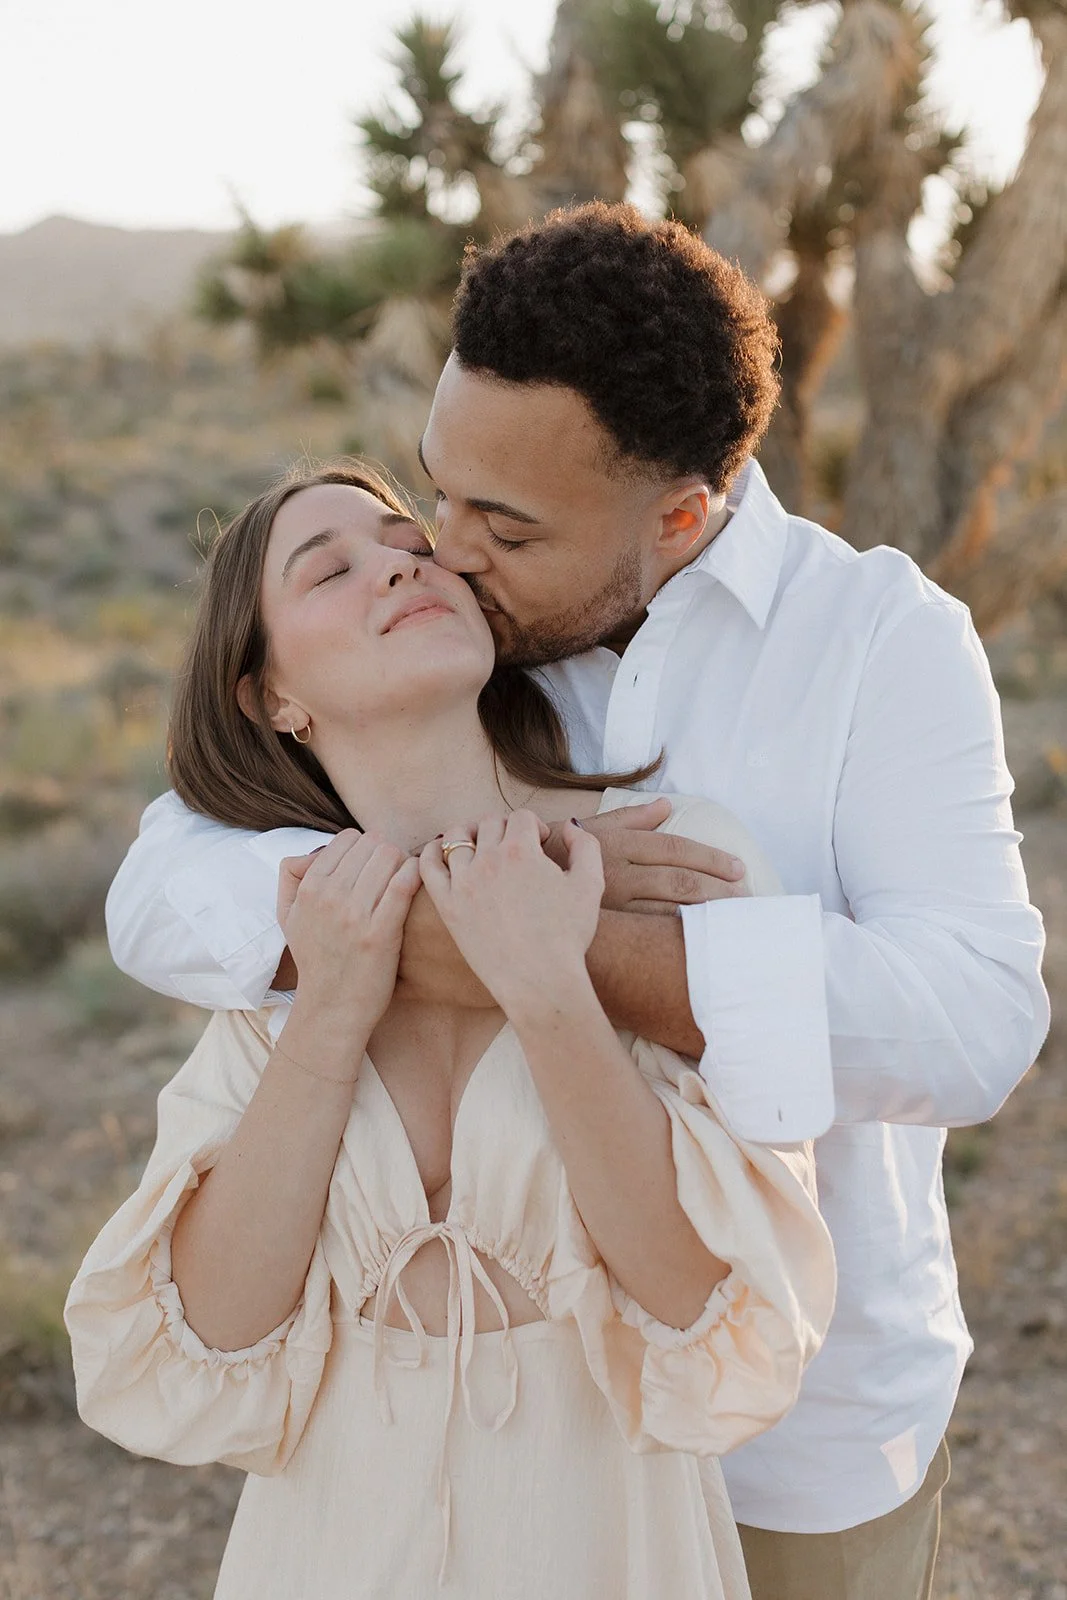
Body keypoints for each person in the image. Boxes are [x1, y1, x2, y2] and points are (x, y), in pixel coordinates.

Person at [103, 203, 1050, 1600]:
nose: (444, 547)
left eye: (503, 521)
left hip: (801, 1434)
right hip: (467, 1476)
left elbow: (973, 1020)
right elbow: (171, 876)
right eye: (439, 490)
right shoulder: (453, 643)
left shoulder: (876, 643)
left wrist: (588, 951)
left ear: (674, 516)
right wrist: (463, 920)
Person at [65, 461, 836, 1600]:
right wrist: (331, 1007)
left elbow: (711, 1320)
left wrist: (551, 988)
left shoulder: (679, 859)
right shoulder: (271, 921)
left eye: (409, 545)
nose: (394, 562)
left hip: (607, 1549)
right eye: (328, 568)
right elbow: (214, 1339)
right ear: (269, 695)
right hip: (325, 1554)